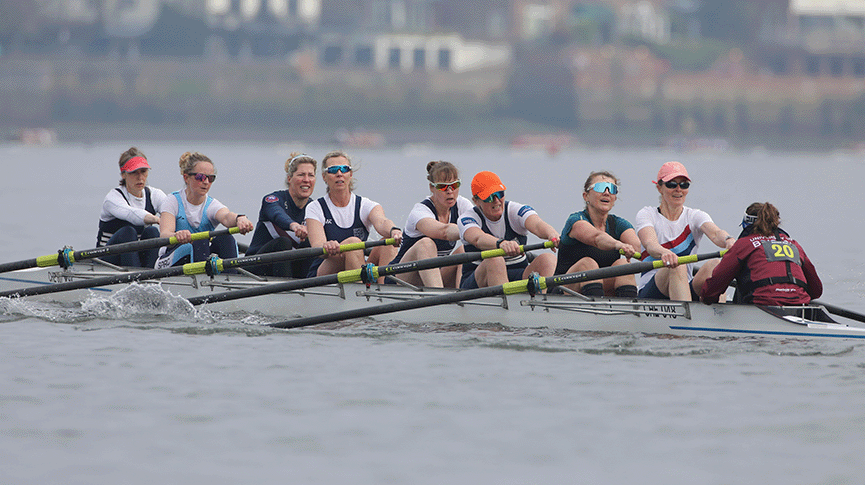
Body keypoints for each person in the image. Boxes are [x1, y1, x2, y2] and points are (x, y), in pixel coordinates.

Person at [635, 161, 735, 301]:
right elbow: (650, 244)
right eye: (671, 184)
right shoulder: (647, 214)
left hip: (684, 287)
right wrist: (664, 253)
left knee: (715, 265)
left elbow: (716, 233)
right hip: (652, 290)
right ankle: (687, 320)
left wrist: (728, 240)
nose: (678, 189)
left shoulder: (695, 215)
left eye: (684, 185)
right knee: (677, 266)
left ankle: (718, 316)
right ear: (659, 188)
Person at [701, 202, 822, 305]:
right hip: (799, 304)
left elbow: (712, 289)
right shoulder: (794, 245)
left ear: (746, 224)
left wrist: (706, 299)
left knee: (742, 279)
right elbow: (816, 291)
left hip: (762, 305)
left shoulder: (744, 244)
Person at [305, 150, 402, 277]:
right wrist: (327, 246)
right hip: (325, 271)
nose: (339, 174)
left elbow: (382, 221)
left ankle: (386, 290)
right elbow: (318, 245)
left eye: (344, 169)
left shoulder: (365, 205)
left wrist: (393, 231)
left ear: (350, 174)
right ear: (324, 176)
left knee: (387, 243)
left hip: (357, 264)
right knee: (353, 243)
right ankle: (359, 292)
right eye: (333, 170)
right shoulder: (315, 207)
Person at [457, 171, 560, 289]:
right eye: (489, 197)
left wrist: (551, 234)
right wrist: (501, 244)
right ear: (476, 201)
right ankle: (507, 304)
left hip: (517, 274)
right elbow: (477, 238)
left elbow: (537, 225)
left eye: (499, 194)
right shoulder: (467, 218)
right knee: (495, 259)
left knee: (548, 259)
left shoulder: (514, 210)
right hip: (477, 282)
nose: (496, 200)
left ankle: (541, 302)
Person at [154, 151, 254, 268]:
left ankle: (228, 280)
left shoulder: (212, 205)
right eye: (200, 177)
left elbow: (227, 217)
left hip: (199, 256)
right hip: (169, 258)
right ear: (186, 178)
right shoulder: (172, 201)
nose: (206, 182)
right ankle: (204, 280)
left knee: (226, 239)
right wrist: (176, 235)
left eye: (210, 178)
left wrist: (240, 219)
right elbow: (165, 234)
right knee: (199, 240)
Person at [555, 171, 640, 297]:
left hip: (599, 287)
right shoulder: (576, 220)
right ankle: (596, 314)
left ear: (615, 198)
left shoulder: (619, 224)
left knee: (623, 266)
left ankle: (630, 313)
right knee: (588, 264)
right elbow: (597, 238)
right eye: (600, 187)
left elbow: (641, 249)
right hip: (564, 289)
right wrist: (619, 245)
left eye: (612, 189)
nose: (606, 192)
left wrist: (666, 256)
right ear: (586, 196)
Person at [389, 161, 473, 288]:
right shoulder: (420, 211)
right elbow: (444, 231)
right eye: (443, 187)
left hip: (433, 276)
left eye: (454, 185)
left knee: (464, 250)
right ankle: (438, 300)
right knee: (426, 244)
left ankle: (463, 298)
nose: (450, 191)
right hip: (400, 278)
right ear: (432, 187)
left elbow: (480, 226)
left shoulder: (462, 204)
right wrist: (471, 232)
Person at [245, 153, 317, 278]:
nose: (306, 179)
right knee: (283, 243)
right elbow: (277, 214)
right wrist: (294, 226)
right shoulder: (272, 200)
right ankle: (287, 291)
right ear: (289, 178)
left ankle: (309, 286)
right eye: (301, 175)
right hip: (255, 268)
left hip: (289, 267)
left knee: (313, 244)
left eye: (311, 175)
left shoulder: (314, 207)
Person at [96, 147, 167, 268]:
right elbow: (132, 215)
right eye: (134, 172)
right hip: (107, 261)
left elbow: (175, 213)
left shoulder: (155, 195)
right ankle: (137, 280)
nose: (140, 177)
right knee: (128, 232)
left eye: (143, 171)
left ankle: (151, 277)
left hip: (135, 258)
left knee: (153, 232)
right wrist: (158, 220)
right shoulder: (112, 198)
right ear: (123, 174)